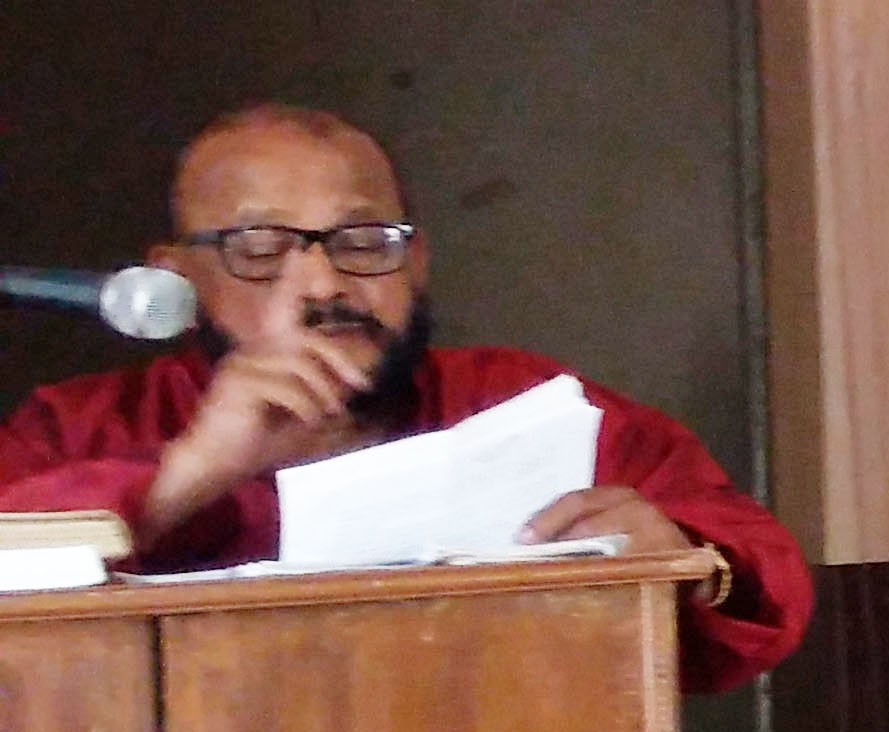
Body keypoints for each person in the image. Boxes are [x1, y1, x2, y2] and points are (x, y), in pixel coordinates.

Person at [0, 105, 806, 694]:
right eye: (259, 248)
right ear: (174, 277)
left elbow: (762, 578)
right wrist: (185, 475)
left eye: (364, 243)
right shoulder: (80, 426)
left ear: (416, 263)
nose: (323, 283)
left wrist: (687, 561)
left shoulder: (513, 402)